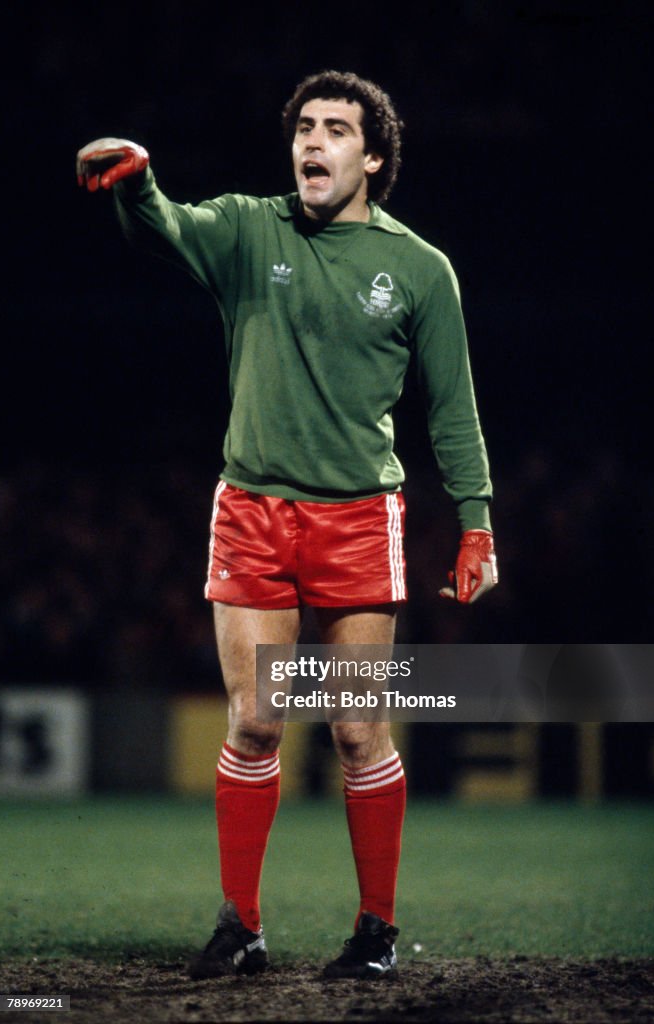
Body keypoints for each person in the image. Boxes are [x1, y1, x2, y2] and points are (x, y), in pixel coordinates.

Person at [76, 70, 498, 980]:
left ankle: (376, 932)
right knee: (257, 722)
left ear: (372, 156)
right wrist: (137, 183)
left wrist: (476, 525)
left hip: (355, 520)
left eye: (336, 129)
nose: (313, 142)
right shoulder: (247, 226)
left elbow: (452, 411)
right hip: (252, 513)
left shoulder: (421, 269)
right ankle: (242, 928)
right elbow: (168, 227)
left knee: (356, 732)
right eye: (304, 126)